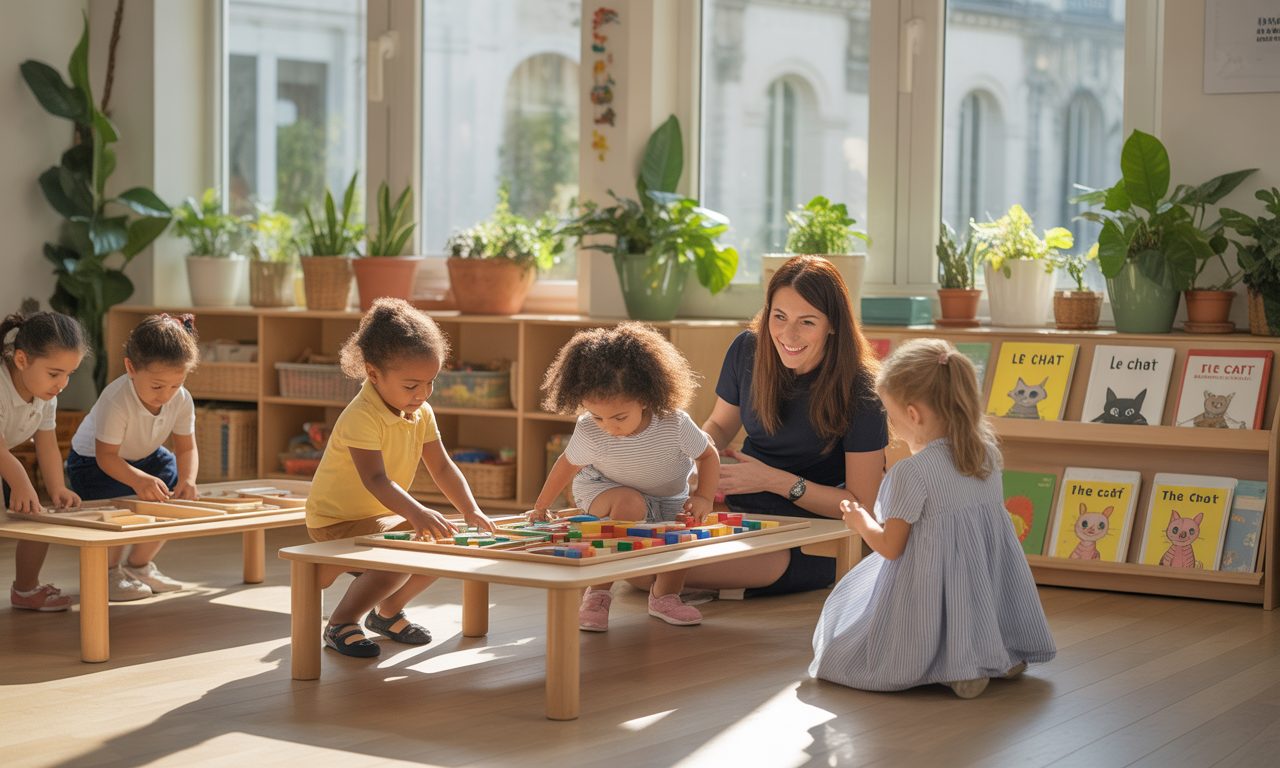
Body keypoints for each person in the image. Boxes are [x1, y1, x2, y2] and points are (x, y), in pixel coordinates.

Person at [810, 338, 1056, 698]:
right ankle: (997, 652)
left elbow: (891, 548)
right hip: (984, 576)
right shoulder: (986, 454)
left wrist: (860, 520)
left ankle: (960, 668)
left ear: (913, 415)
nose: (892, 428)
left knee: (838, 652)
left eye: (891, 417)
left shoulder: (912, 472)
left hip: (928, 581)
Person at [307, 298, 495, 658]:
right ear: (373, 373)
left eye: (430, 383)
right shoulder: (361, 415)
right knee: (404, 546)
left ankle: (387, 613)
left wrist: (470, 509)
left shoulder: (421, 412)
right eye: (411, 386)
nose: (422, 394)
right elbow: (375, 478)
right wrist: (417, 512)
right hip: (335, 520)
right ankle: (341, 623)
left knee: (441, 539)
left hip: (379, 516)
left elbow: (442, 467)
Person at [694, 255, 887, 595]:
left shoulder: (862, 388)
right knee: (644, 563)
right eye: (779, 316)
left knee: (662, 572)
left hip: (815, 533)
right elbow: (720, 426)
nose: (788, 334)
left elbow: (862, 506)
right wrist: (697, 459)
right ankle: (720, 588)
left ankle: (717, 586)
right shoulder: (747, 349)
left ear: (832, 324)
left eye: (807, 322)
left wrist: (772, 480)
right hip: (743, 508)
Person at [531, 323, 720, 631]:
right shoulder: (590, 431)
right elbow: (567, 465)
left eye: (619, 417)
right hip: (604, 489)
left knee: (684, 532)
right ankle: (597, 594)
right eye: (597, 416)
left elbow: (708, 455)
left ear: (645, 399)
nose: (609, 427)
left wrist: (704, 497)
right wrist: (541, 506)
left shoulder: (674, 423)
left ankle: (666, 596)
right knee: (629, 504)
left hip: (668, 498)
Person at [67, 314, 201, 601]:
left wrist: (188, 480)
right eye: (157, 386)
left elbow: (186, 448)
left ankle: (139, 566)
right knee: (118, 508)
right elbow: (106, 456)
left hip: (144, 458)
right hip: (93, 463)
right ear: (130, 368)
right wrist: (138, 480)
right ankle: (108, 572)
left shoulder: (182, 399)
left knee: (171, 495)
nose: (166, 395)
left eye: (175, 385)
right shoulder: (116, 398)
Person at [1, 310, 87, 611]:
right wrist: (21, 482)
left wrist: (57, 488)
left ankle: (25, 591)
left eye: (69, 374)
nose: (62, 383)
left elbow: (46, 443)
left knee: (40, 516)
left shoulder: (46, 395)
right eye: (54, 373)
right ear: (21, 360)